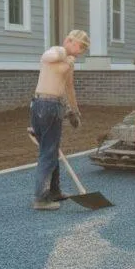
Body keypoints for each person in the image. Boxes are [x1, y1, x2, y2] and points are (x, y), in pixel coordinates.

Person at [30, 29, 89, 210]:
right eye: (81, 47)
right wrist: (65, 54)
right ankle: (41, 199)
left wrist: (74, 112)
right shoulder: (58, 51)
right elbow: (48, 56)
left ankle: (54, 191)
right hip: (45, 106)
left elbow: (69, 88)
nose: (81, 52)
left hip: (45, 106)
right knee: (48, 153)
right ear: (70, 41)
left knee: (52, 150)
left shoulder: (69, 63)